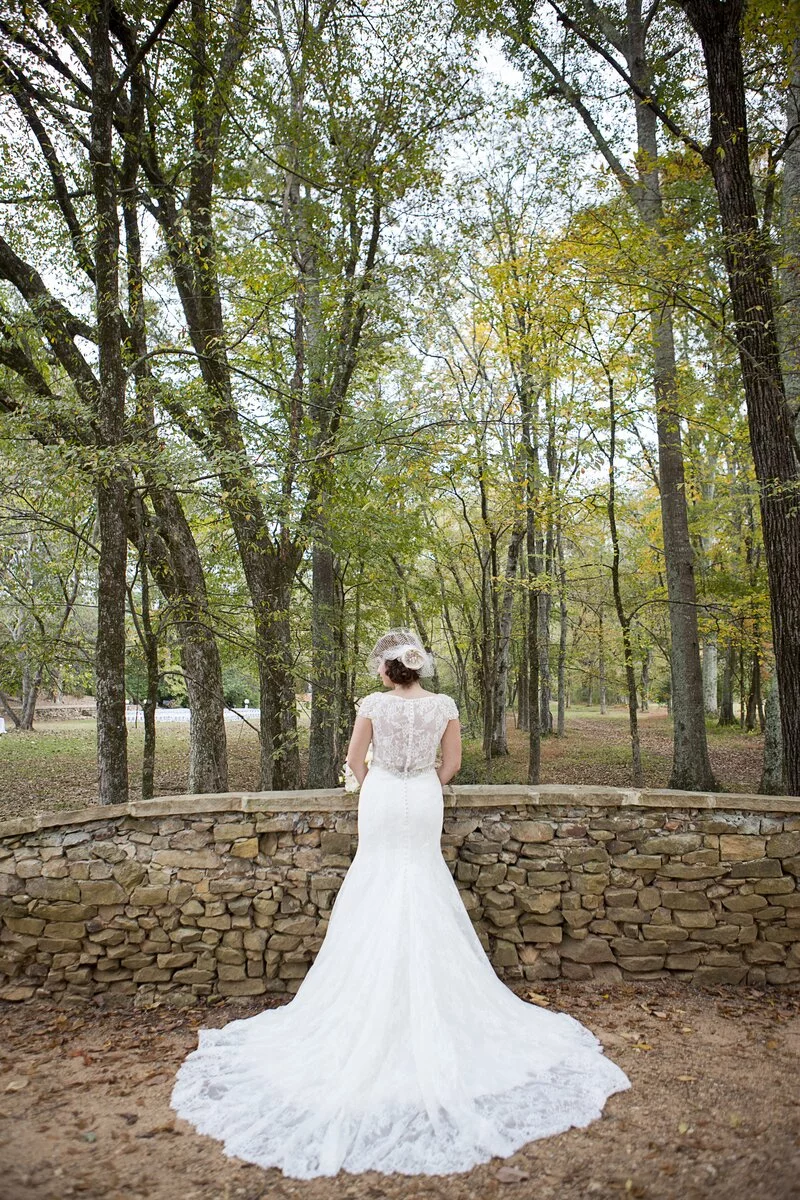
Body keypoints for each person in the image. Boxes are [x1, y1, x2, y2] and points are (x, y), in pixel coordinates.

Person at [170, 628, 629, 1178]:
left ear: (389, 670)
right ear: (418, 668)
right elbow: (452, 763)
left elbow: (355, 760)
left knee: (378, 877)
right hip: (425, 796)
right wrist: (424, 782)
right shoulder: (444, 705)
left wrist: (379, 785)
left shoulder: (372, 706)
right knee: (422, 874)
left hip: (384, 796)